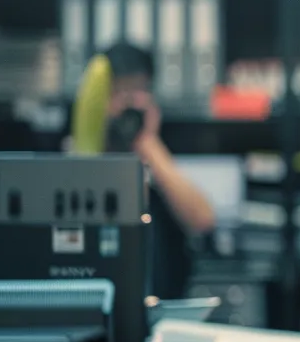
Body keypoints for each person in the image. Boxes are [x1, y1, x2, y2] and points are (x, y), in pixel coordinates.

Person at [79, 43, 216, 299]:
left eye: (138, 90)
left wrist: (147, 144)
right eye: (118, 92)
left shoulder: (159, 158)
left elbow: (203, 220)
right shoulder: (78, 154)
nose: (127, 104)